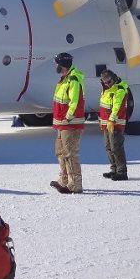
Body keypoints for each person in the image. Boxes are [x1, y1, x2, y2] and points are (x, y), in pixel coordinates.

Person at [50, 52, 85, 194]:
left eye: (57, 64)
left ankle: (75, 184)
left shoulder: (73, 79)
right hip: (61, 123)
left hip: (70, 123)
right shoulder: (64, 79)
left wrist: (68, 117)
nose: (56, 67)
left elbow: (74, 101)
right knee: (60, 152)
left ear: (63, 64)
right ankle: (64, 180)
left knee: (70, 153)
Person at [98, 69, 130, 181]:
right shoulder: (107, 88)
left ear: (114, 78)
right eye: (104, 82)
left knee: (116, 147)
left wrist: (111, 120)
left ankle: (122, 172)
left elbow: (117, 106)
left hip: (115, 123)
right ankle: (114, 169)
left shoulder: (119, 89)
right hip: (107, 123)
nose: (107, 84)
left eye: (109, 82)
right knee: (108, 147)